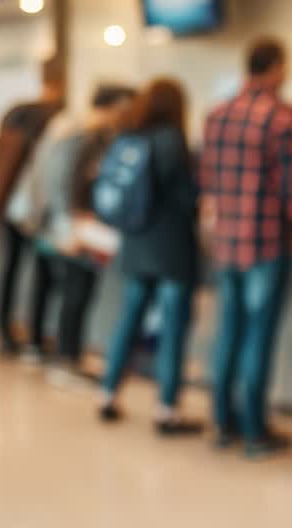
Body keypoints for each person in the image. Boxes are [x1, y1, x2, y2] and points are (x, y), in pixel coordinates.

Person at [201, 38, 292, 459]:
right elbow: (291, 194)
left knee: (227, 332)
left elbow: (208, 180)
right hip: (266, 244)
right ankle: (254, 431)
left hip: (225, 242)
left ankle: (221, 422)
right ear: (278, 68)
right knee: (259, 338)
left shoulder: (216, 115)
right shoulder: (283, 118)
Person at [98, 79, 203, 436]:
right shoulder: (173, 141)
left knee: (129, 320)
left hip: (136, 244)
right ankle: (166, 407)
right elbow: (189, 198)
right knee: (173, 328)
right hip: (171, 247)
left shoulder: (130, 137)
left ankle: (109, 392)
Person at [23, 84, 135, 368]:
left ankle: (43, 347)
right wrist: (69, 222)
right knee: (77, 288)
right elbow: (61, 180)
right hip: (71, 223)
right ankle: (66, 356)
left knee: (52, 285)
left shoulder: (70, 128)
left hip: (55, 220)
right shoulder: (81, 133)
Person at [0, 80, 65, 356]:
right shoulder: (49, 125)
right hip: (31, 210)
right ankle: (35, 336)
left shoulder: (12, 123)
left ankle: (4, 331)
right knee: (41, 271)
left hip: (8, 206)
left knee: (10, 267)